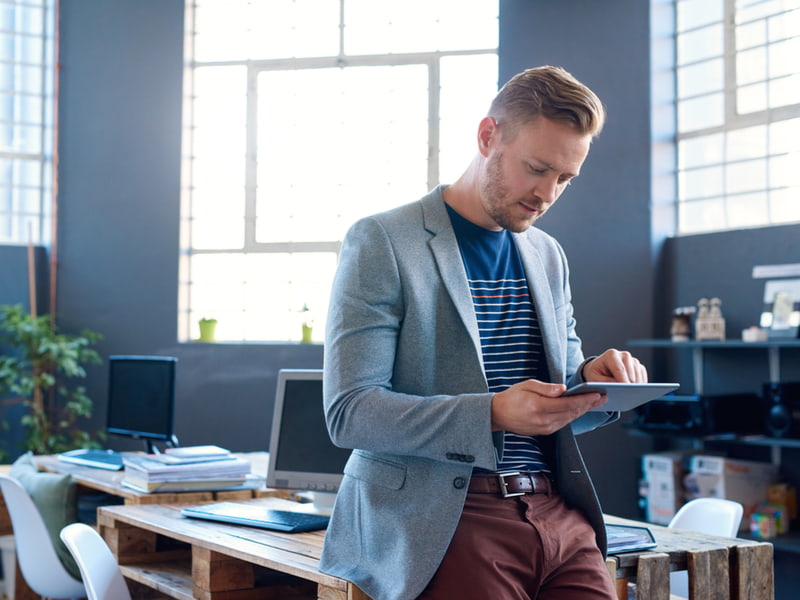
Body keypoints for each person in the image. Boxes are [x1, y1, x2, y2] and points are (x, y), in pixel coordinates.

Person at [320, 65, 648, 600]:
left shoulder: (547, 255)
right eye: (537, 168)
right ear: (487, 136)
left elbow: (556, 402)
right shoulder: (383, 241)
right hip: (446, 515)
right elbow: (350, 412)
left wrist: (594, 382)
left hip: (557, 512)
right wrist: (493, 413)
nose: (546, 194)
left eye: (564, 179)